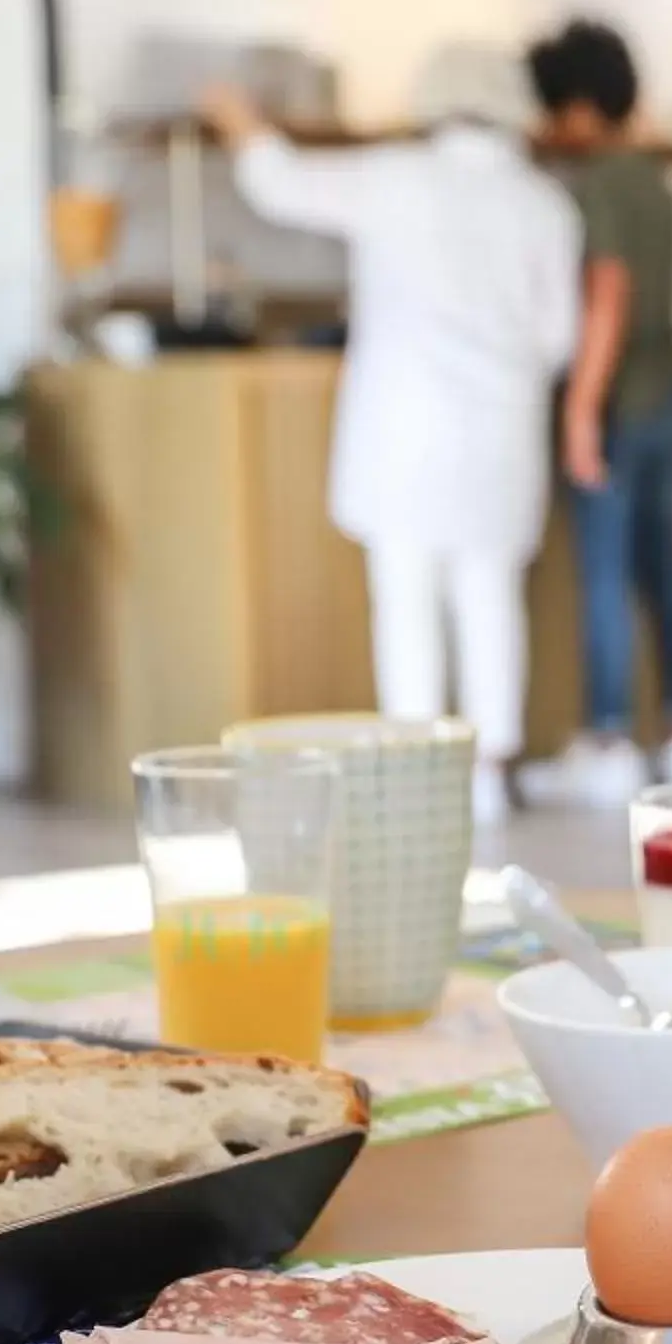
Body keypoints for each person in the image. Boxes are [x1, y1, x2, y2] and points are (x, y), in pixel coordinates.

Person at [202, 49, 580, 826]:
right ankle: (488, 770)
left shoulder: (394, 180)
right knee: (491, 596)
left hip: (403, 432)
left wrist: (240, 123)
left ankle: (416, 769)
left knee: (405, 598)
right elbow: (557, 337)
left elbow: (280, 184)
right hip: (501, 431)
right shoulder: (545, 206)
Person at [519, 18, 672, 808]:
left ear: (576, 107)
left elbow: (606, 298)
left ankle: (607, 741)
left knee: (603, 574)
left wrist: (579, 413)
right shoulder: (656, 179)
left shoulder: (598, 184)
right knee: (667, 571)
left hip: (619, 401)